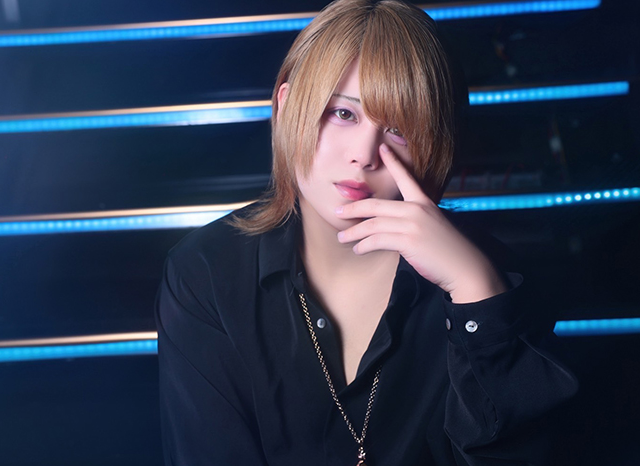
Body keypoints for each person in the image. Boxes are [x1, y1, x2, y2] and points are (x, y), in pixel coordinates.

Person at [155, 0, 578, 464]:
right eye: (343, 114)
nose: (364, 154)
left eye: (398, 128)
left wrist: (476, 293)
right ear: (287, 105)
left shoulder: (496, 279)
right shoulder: (205, 272)